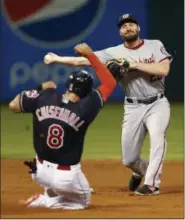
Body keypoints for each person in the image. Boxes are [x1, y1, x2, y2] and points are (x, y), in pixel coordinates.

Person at [43, 13, 172, 195]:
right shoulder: (114, 53)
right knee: (129, 159)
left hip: (157, 103)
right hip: (133, 106)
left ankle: (152, 184)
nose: (128, 27)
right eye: (123, 25)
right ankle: (139, 172)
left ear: (138, 28)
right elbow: (85, 60)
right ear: (120, 32)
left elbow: (163, 69)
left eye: (131, 24)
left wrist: (132, 64)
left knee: (158, 136)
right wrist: (57, 59)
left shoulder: (154, 45)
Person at [9, 43, 116, 209]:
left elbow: (13, 105)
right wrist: (90, 55)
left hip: (39, 172)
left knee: (55, 181)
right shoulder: (87, 107)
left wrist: (41, 88)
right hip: (66, 177)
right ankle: (45, 201)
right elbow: (109, 83)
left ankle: (49, 194)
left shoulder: (45, 96)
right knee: (83, 202)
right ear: (88, 92)